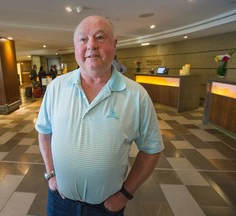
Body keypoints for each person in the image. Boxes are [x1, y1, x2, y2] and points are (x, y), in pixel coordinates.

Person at [35, 15, 164, 216]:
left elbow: (151, 149)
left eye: (100, 37)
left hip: (106, 208)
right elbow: (44, 132)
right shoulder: (56, 88)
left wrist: (125, 194)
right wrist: (51, 174)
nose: (91, 45)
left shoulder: (136, 95)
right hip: (59, 202)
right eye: (83, 39)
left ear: (115, 44)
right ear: (75, 46)